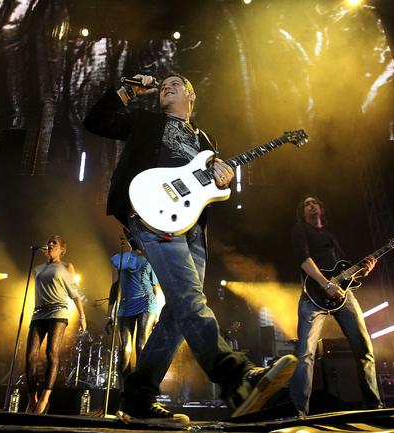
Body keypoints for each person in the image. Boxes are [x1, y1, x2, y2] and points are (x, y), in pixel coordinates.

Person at [84, 73, 297, 426]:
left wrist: (224, 178)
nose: (167, 86)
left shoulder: (205, 139)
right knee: (189, 299)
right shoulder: (147, 122)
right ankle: (236, 378)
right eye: (163, 84)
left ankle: (138, 398)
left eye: (176, 83)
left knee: (177, 313)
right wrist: (129, 90)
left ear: (191, 95)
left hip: (193, 225)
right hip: (151, 212)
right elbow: (96, 121)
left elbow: (212, 184)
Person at [289, 195, 383, 417]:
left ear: (321, 208)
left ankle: (375, 407)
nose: (311, 205)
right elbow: (303, 259)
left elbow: (345, 270)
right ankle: (299, 412)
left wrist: (363, 271)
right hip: (313, 295)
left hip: (343, 294)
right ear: (302, 212)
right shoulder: (300, 229)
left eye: (314, 202)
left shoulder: (331, 235)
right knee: (305, 354)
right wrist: (325, 284)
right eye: (306, 204)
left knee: (364, 349)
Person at [25, 235, 87, 414]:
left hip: (58, 312)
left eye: (55, 243)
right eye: (49, 242)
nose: (50, 244)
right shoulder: (37, 269)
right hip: (38, 313)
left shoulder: (67, 267)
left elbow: (75, 292)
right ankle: (32, 399)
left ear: (62, 249)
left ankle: (45, 398)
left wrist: (82, 316)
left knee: (51, 352)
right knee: (30, 356)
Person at [105, 236, 160, 385]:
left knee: (141, 345)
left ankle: (141, 388)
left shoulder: (150, 259)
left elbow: (155, 288)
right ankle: (124, 390)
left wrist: (157, 315)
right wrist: (109, 314)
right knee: (124, 349)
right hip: (125, 305)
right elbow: (114, 286)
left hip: (146, 303)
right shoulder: (119, 258)